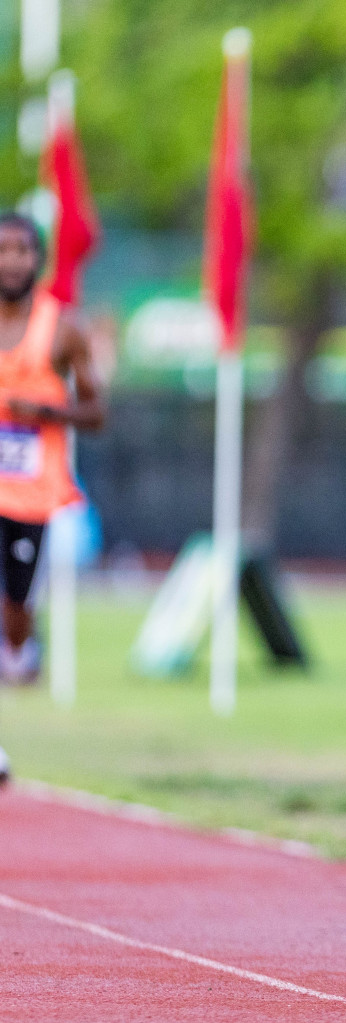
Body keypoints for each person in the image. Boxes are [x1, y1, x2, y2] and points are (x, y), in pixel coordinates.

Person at [0, 211, 105, 688]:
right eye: (3, 250)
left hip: (29, 496)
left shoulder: (63, 330)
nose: (12, 261)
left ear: (38, 259)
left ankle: (23, 643)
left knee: (15, 613)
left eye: (22, 250)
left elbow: (97, 413)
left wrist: (44, 412)